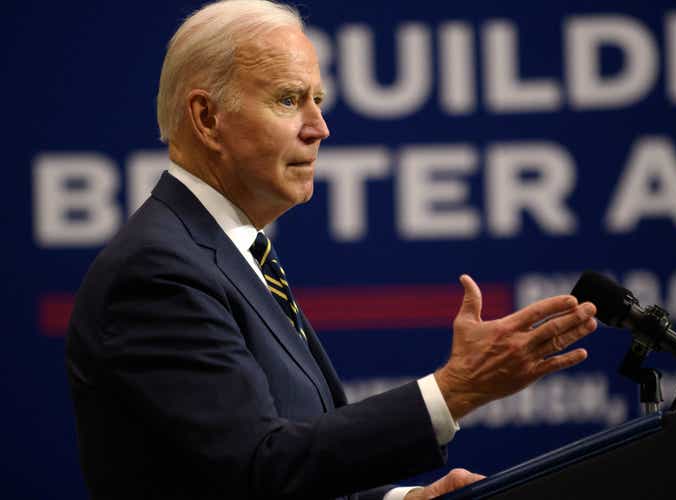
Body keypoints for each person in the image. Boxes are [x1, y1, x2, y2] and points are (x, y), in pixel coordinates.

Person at [65, 1, 598, 499]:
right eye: (288, 100)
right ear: (207, 118)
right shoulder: (158, 272)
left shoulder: (231, 253)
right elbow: (257, 469)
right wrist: (453, 390)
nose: (319, 127)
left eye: (316, 100)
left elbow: (275, 466)